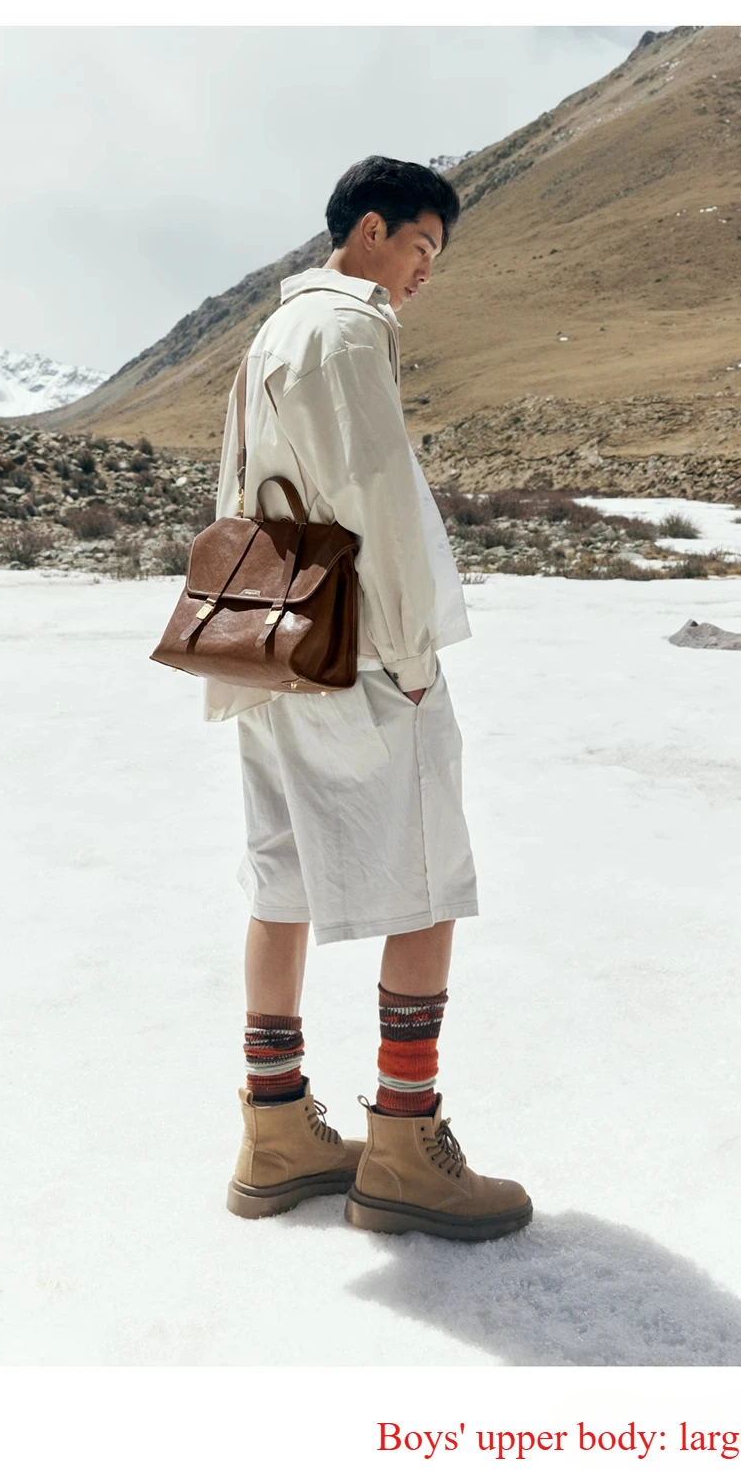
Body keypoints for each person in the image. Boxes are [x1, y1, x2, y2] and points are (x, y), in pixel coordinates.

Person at [206, 156, 531, 1241]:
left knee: (284, 876)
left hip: (272, 636)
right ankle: (403, 1142)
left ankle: (275, 1130)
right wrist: (410, 653)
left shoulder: (273, 332)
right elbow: (379, 498)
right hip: (357, 643)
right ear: (374, 230)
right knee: (427, 878)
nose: (428, 270)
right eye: (423, 245)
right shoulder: (347, 329)